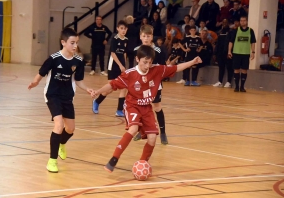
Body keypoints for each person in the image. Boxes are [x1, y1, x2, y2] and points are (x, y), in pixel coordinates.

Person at [90, 45, 202, 173]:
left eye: (150, 62)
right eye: (144, 62)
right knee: (133, 129)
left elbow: (176, 68)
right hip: (132, 106)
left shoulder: (157, 70)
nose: (147, 65)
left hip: (147, 108)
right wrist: (97, 91)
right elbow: (111, 85)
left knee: (153, 138)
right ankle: (114, 159)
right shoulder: (129, 74)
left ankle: (142, 163)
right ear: (137, 60)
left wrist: (193, 62)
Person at [28, 28, 93, 173]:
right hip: (52, 95)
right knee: (58, 125)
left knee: (70, 129)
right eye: (72, 43)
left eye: (76, 43)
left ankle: (62, 143)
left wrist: (87, 89)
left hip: (67, 96)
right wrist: (34, 83)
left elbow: (78, 80)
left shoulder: (78, 61)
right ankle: (51, 161)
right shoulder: (53, 58)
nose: (75, 46)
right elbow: (41, 73)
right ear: (63, 42)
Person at [133, 24, 168, 145]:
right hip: (141, 84)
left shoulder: (157, 50)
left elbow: (161, 68)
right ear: (140, 36)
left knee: (157, 107)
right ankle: (141, 131)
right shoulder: (137, 50)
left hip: (154, 84)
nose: (146, 38)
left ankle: (163, 133)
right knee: (142, 107)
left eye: (148, 36)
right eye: (144, 36)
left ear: (152, 37)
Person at [92, 20, 128, 117]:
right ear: (117, 29)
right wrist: (120, 65)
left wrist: (124, 65)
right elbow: (113, 53)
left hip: (121, 66)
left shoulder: (126, 40)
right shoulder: (115, 39)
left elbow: (124, 53)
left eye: (125, 29)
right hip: (113, 65)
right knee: (110, 88)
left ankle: (119, 110)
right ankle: (97, 101)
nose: (123, 30)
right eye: (121, 28)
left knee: (124, 88)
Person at [228, 15, 256, 92]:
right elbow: (231, 42)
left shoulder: (250, 31)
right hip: (236, 53)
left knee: (244, 70)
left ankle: (242, 86)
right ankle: (236, 86)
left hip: (246, 53)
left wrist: (253, 52)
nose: (242, 22)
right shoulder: (236, 30)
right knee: (236, 70)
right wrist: (229, 51)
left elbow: (253, 42)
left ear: (246, 21)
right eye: (241, 21)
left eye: (244, 20)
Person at [213, 19, 233, 88]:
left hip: (227, 53)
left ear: (229, 23)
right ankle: (220, 81)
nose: (224, 23)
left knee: (229, 67)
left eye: (226, 22)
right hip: (220, 53)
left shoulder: (231, 31)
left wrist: (229, 52)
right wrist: (215, 53)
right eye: (223, 22)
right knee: (221, 67)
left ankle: (229, 82)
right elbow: (217, 43)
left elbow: (231, 42)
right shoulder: (220, 32)